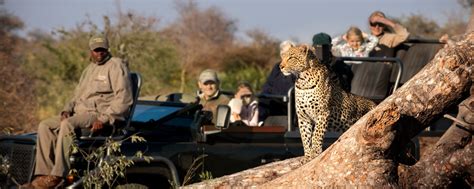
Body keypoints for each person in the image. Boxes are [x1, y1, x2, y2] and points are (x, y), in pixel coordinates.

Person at [22, 34, 133, 188]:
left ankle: (59, 175)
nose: (99, 53)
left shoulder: (116, 65)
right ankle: (44, 175)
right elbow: (76, 96)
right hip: (79, 114)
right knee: (45, 125)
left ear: (107, 49)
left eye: (102, 49)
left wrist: (104, 119)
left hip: (97, 115)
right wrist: (66, 109)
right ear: (91, 51)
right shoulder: (89, 69)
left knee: (67, 124)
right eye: (96, 50)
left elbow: (124, 100)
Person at [258, 40, 297, 123]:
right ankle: (260, 122)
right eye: (283, 53)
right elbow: (268, 86)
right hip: (275, 103)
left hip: (290, 106)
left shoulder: (297, 69)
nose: (285, 56)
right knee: (263, 97)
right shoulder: (277, 67)